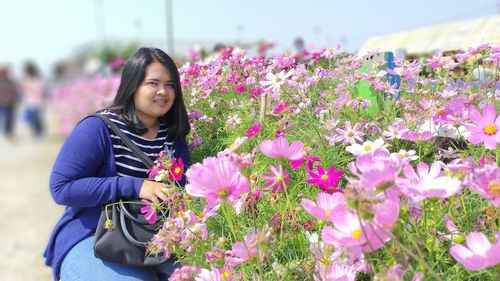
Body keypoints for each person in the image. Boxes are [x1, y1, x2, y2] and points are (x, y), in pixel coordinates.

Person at [44, 47, 191, 281]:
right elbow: (61, 188)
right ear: (132, 85)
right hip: (94, 236)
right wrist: (135, 186)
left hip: (153, 238)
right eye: (153, 83)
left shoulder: (173, 136)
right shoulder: (99, 128)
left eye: (170, 85)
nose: (163, 91)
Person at [20, 61, 46, 138]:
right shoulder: (26, 79)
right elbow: (23, 89)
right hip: (29, 102)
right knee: (32, 119)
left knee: (37, 119)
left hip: (37, 101)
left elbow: (41, 89)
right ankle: (36, 133)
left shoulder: (37, 78)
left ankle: (39, 133)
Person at [0, 65, 19, 140]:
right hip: (2, 103)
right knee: (5, 118)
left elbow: (15, 91)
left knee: (10, 118)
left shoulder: (11, 81)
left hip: (10, 102)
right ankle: (6, 132)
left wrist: (15, 98)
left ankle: (9, 132)